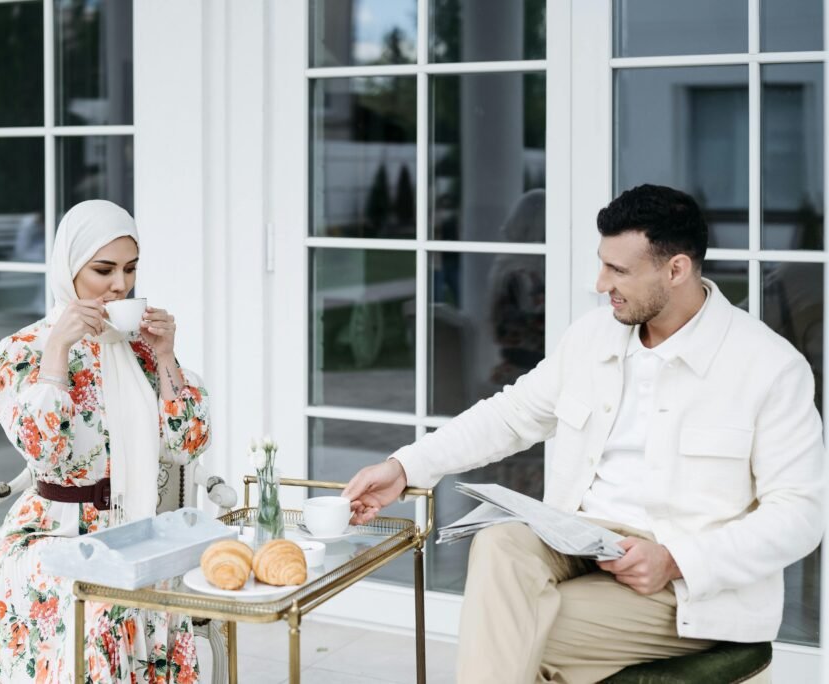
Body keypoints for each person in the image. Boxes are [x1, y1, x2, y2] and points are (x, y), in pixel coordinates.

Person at [343, 184, 825, 683]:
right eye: (602, 263)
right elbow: (509, 416)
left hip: (685, 590)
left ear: (676, 269)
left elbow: (801, 514)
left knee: (517, 634)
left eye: (618, 270)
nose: (600, 283)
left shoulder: (768, 367)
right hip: (583, 543)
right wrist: (404, 467)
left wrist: (677, 560)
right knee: (499, 546)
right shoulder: (591, 338)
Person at [0, 200, 210, 683]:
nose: (120, 285)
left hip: (134, 531)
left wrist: (165, 358)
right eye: (104, 270)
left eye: (130, 269)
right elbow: (44, 452)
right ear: (69, 268)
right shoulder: (22, 351)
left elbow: (187, 445)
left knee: (140, 596)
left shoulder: (140, 349)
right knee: (99, 605)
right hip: (50, 535)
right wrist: (58, 348)